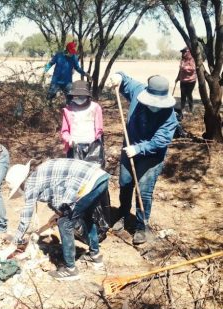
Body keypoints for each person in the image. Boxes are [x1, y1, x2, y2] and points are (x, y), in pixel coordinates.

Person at [5, 158, 110, 281]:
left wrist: (16, 240)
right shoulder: (41, 173)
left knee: (64, 223)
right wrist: (59, 211)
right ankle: (95, 255)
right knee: (86, 216)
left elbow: (26, 217)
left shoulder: (31, 184)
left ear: (21, 183)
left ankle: (70, 270)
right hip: (101, 178)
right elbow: (60, 192)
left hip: (89, 183)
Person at [109, 73, 178, 245]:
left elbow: (160, 141)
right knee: (125, 184)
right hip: (129, 148)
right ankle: (123, 214)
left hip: (152, 156)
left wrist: (139, 149)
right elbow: (125, 79)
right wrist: (117, 77)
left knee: (144, 191)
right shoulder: (138, 90)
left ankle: (141, 226)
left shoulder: (170, 116)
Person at [61, 80, 110, 238]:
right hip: (75, 149)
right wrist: (70, 140)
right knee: (77, 185)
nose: (79, 98)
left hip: (92, 149)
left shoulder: (95, 108)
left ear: (87, 96)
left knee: (95, 184)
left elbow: (99, 130)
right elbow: (64, 131)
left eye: (82, 96)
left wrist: (93, 145)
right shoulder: (68, 110)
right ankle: (79, 221)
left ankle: (101, 221)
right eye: (77, 96)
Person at [175, 47, 197, 114]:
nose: (183, 53)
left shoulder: (192, 60)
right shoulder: (182, 60)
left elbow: (192, 69)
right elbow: (180, 70)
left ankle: (191, 109)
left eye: (184, 52)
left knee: (188, 94)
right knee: (183, 95)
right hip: (183, 80)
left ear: (188, 52)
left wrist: (184, 67)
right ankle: (182, 109)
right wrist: (177, 78)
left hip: (191, 81)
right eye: (182, 52)